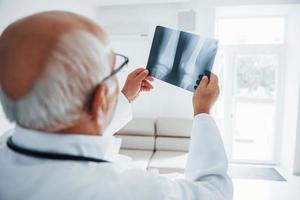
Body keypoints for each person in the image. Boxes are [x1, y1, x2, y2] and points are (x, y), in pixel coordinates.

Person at [0, 11, 233, 200]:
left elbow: (67, 131)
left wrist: (123, 97)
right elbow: (215, 192)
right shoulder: (137, 192)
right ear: (100, 98)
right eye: (114, 69)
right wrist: (203, 112)